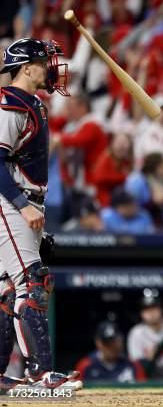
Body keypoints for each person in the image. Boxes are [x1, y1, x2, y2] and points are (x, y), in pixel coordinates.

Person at [0, 38, 82, 389]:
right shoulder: (10, 102)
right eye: (44, 62)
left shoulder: (30, 101)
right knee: (33, 282)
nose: (50, 67)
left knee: (6, 290)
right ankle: (41, 374)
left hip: (23, 200)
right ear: (26, 67)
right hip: (10, 200)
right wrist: (21, 205)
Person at [75, 320, 145, 383]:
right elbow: (69, 393)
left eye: (114, 342)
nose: (112, 347)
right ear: (98, 343)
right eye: (107, 343)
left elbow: (145, 391)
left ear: (121, 341)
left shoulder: (133, 365)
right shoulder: (85, 366)